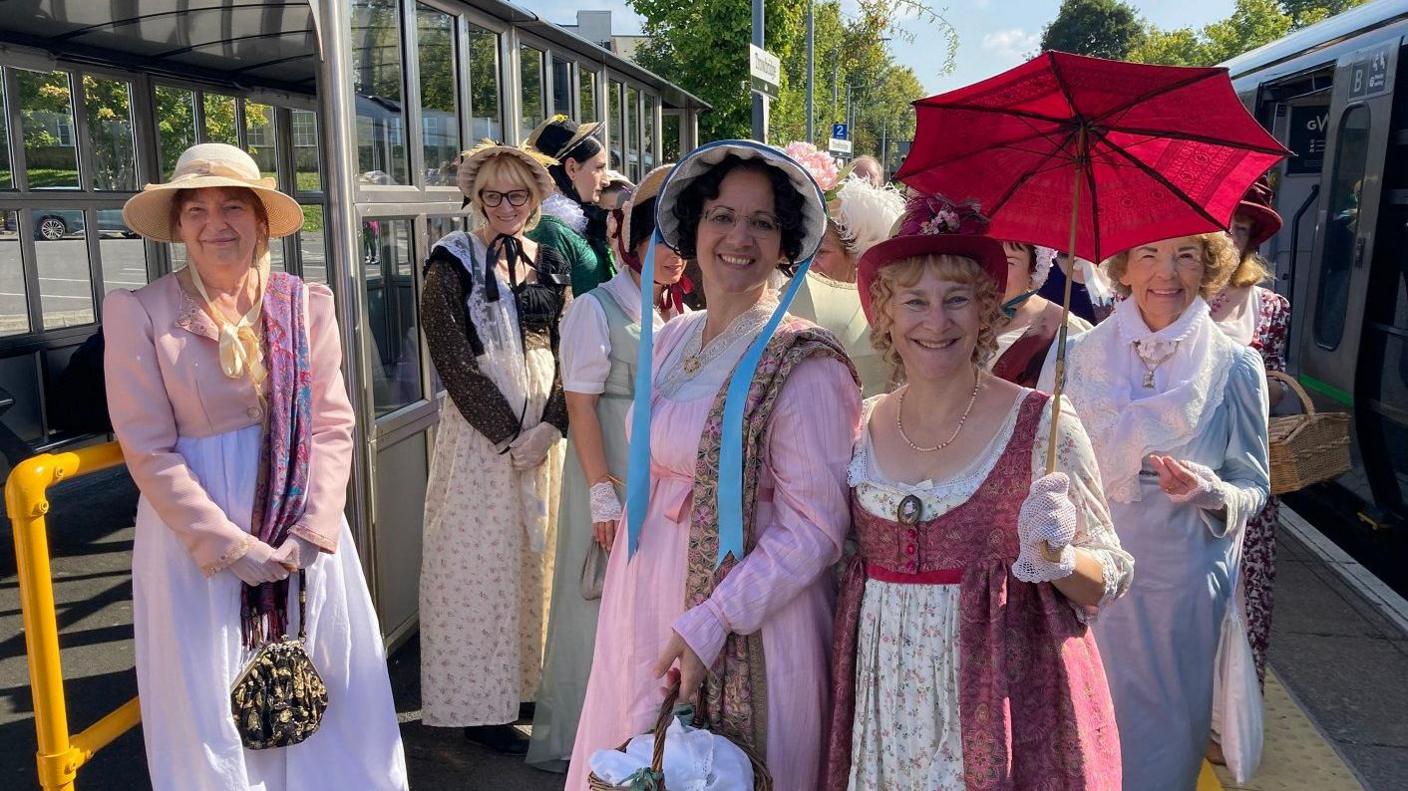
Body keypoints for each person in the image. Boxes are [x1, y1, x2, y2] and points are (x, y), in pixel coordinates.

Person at [104, 143, 407, 789]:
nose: (216, 223)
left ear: (261, 219)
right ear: (180, 227)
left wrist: (311, 529)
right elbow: (147, 446)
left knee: (325, 680)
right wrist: (226, 544)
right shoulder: (141, 313)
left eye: (233, 205)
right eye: (197, 210)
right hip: (196, 548)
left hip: (300, 536)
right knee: (209, 697)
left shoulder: (303, 304)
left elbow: (331, 422)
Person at [567, 141, 862, 791]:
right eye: (723, 216)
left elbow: (815, 527)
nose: (739, 236)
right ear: (694, 228)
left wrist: (711, 620)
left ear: (787, 242)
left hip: (748, 618)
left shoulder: (803, 360)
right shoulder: (672, 338)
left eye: (762, 222)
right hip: (643, 594)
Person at [823, 195, 1128, 789]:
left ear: (986, 310)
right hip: (885, 703)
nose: (935, 323)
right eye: (914, 301)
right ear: (883, 314)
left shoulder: (1043, 425)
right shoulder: (860, 424)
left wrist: (1058, 560)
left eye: (956, 300)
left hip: (1003, 705)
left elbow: (1112, 572)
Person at [1040, 232, 1271, 790]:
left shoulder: (1236, 367)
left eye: (1185, 257)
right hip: (1089, 569)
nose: (1165, 273)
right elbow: (1039, 445)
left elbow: (1254, 484)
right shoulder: (1075, 353)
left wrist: (1211, 491)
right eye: (1148, 255)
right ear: (1123, 268)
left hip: (1182, 579)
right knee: (1083, 706)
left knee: (1166, 724)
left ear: (1207, 270)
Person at [527, 164, 688, 770]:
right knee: (598, 600)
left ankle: (643, 728)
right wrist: (601, 492)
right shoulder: (595, 309)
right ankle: (590, 739)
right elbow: (580, 406)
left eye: (680, 243)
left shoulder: (676, 310)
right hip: (611, 466)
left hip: (658, 471)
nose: (673, 256)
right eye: (661, 241)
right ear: (629, 240)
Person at [418, 141, 572, 754]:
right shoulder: (450, 262)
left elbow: (571, 346)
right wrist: (509, 433)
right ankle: (479, 703)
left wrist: (552, 423)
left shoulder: (546, 258)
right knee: (480, 565)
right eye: (492, 196)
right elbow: (452, 356)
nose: (504, 206)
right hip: (485, 439)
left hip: (541, 429)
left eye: (517, 195)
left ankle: (529, 684)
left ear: (535, 199)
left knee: (539, 559)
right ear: (474, 198)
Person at [783, 141, 906, 396]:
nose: (806, 265)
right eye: (801, 252)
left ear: (855, 257)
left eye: (821, 253)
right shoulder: (782, 300)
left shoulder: (884, 315)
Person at [524, 115, 614, 294]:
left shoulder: (570, 222)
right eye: (599, 168)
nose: (606, 180)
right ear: (572, 168)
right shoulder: (550, 230)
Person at [990, 241, 1093, 386]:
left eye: (1009, 262)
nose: (994, 272)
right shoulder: (952, 318)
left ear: (1033, 269)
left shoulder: (1066, 332)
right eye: (987, 259)